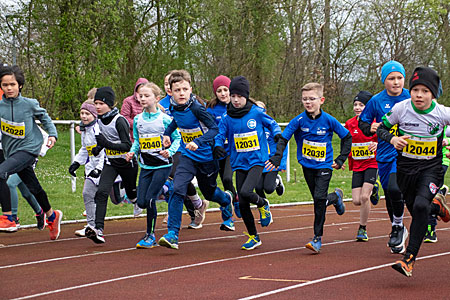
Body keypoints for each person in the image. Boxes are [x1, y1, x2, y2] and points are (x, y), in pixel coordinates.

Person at [377, 66, 450, 277]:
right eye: (416, 89)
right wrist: (392, 138)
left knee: (419, 206)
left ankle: (409, 259)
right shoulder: (401, 108)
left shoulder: (442, 113)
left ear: (433, 94)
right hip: (405, 169)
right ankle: (437, 208)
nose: (419, 95)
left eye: (425, 91)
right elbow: (381, 128)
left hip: (431, 168)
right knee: (417, 209)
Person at [267, 82, 350, 253]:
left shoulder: (329, 120)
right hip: (307, 165)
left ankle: (317, 238)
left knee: (319, 199)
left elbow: (346, 137)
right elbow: (283, 138)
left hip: (325, 165)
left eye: (312, 99)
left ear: (321, 100)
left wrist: (341, 159)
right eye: (305, 99)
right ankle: (335, 198)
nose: (308, 102)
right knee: (319, 200)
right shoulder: (298, 120)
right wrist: (277, 157)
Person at [157, 70, 233, 250]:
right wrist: (167, 134)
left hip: (207, 158)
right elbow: (177, 121)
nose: (181, 93)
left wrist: (198, 142)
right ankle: (172, 234)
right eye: (177, 90)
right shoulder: (175, 107)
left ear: (191, 89)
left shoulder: (197, 108)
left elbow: (214, 129)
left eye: (184, 89)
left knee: (209, 193)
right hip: (187, 156)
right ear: (171, 92)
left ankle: (226, 200)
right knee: (176, 189)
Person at [214, 76, 279, 250]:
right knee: (242, 203)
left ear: (246, 96)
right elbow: (220, 134)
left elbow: (272, 124)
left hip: (257, 160)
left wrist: (277, 134)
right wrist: (218, 146)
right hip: (239, 162)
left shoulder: (256, 112)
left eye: (239, 96)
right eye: (233, 95)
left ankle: (263, 203)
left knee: (245, 191)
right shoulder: (228, 117)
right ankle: (254, 236)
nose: (235, 100)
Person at [0, 65, 62, 239]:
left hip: (29, 149)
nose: (9, 88)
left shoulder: (29, 104)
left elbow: (45, 117)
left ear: (19, 85)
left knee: (1, 173)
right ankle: (51, 215)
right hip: (11, 151)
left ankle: (8, 217)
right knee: (33, 187)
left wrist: (53, 134)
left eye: (12, 84)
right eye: (5, 85)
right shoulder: (0, 106)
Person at [358, 60, 410, 254]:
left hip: (407, 154)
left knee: (397, 188)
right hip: (385, 154)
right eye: (391, 78)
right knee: (389, 192)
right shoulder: (377, 101)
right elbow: (362, 123)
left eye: (399, 78)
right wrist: (370, 127)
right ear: (384, 81)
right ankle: (398, 227)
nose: (396, 82)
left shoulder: (411, 97)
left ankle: (403, 225)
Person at [126, 82, 181, 248]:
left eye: (146, 96)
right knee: (141, 202)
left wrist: (170, 152)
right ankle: (166, 189)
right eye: (140, 96)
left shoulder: (165, 119)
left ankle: (150, 236)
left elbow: (177, 139)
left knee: (150, 200)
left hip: (162, 166)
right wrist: (132, 152)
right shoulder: (137, 120)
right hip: (146, 166)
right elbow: (137, 141)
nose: (142, 98)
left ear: (157, 99)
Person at [85, 86, 138, 244]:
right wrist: (98, 148)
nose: (98, 107)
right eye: (96, 103)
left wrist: (106, 143)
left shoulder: (119, 120)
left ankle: (137, 201)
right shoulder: (99, 120)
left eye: (101, 103)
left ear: (109, 104)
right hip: (111, 163)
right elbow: (103, 140)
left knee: (132, 193)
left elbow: (127, 145)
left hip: (127, 162)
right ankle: (98, 229)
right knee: (101, 192)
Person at [160, 70, 206, 228]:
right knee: (178, 181)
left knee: (177, 177)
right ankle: (195, 207)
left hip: (185, 146)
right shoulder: (162, 104)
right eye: (166, 84)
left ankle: (187, 208)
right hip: (168, 146)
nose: (168, 86)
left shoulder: (191, 103)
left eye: (170, 83)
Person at [344, 91, 380, 241]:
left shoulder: (376, 124)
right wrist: (343, 159)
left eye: (361, 105)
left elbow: (386, 139)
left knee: (365, 197)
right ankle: (375, 188)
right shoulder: (350, 124)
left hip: (372, 163)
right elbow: (346, 143)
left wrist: (377, 143)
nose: (358, 108)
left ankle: (362, 228)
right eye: (355, 105)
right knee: (356, 201)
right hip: (358, 165)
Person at [68, 99, 105, 237]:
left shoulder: (98, 129)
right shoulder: (85, 130)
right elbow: (85, 149)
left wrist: (99, 169)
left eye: (87, 113)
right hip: (92, 168)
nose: (83, 116)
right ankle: (91, 226)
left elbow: (104, 151)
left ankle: (134, 199)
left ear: (94, 115)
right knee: (87, 193)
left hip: (106, 168)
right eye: (82, 113)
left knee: (116, 198)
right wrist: (76, 163)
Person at [206, 75, 239, 217]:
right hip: (217, 150)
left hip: (233, 150)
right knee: (220, 182)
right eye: (219, 91)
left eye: (225, 89)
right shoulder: (212, 109)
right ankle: (232, 203)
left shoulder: (237, 106)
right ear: (215, 93)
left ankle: (233, 204)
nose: (223, 93)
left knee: (227, 178)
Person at [8, 126, 50, 229]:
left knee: (10, 183)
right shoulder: (8, 120)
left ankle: (13, 217)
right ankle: (40, 212)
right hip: (14, 159)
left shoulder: (28, 121)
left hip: (27, 159)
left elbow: (47, 136)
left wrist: (41, 151)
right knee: (26, 192)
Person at [254, 100, 287, 200]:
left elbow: (282, 146)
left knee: (268, 188)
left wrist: (282, 164)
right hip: (258, 162)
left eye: (261, 111)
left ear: (265, 112)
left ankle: (277, 181)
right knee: (258, 188)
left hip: (271, 161)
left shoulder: (272, 127)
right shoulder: (251, 127)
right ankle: (264, 206)